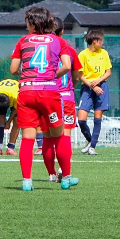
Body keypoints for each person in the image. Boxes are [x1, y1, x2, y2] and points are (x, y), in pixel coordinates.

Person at [9, 4, 75, 191]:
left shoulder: (23, 41)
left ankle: (27, 181)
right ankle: (66, 177)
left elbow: (13, 69)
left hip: (27, 92)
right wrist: (51, 76)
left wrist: (27, 74)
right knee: (58, 136)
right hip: (49, 92)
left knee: (28, 138)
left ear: (32, 23)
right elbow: (67, 66)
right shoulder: (58, 41)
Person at [43, 18, 82, 180]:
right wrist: (71, 87)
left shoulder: (43, 47)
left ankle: (51, 174)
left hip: (48, 96)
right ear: (62, 31)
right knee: (65, 136)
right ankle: (63, 169)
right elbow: (77, 76)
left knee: (47, 137)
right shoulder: (69, 50)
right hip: (67, 98)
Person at [76, 29, 112, 154]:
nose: (102, 42)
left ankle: (92, 147)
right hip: (87, 87)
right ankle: (91, 141)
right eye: (100, 40)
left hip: (102, 86)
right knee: (81, 120)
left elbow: (108, 72)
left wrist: (98, 81)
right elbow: (80, 75)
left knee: (98, 116)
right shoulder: (83, 55)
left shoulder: (104, 53)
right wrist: (92, 86)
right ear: (94, 41)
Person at [0, 78, 20, 154]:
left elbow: (16, 109)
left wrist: (9, 122)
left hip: (14, 95)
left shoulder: (16, 96)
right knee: (0, 120)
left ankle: (10, 148)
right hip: (2, 94)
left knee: (17, 121)